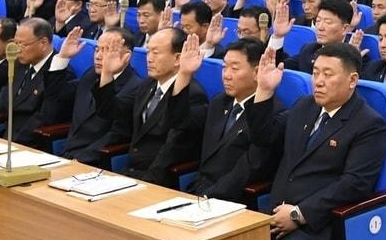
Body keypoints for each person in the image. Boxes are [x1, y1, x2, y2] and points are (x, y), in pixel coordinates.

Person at [247, 41, 386, 240]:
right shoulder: (304, 106)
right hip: (277, 212)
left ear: (352, 80)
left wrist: (299, 214)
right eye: (315, 72)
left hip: (321, 226)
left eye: (328, 74)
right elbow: (264, 137)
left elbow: (355, 184)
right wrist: (264, 92)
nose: (318, 81)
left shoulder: (369, 124)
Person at [95, 27, 208, 187]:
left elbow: (172, 149)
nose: (149, 58)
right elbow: (110, 112)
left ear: (177, 59)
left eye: (156, 52)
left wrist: (144, 184)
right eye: (148, 52)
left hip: (159, 181)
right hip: (130, 173)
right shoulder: (147, 85)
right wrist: (107, 73)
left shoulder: (192, 95)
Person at [175, 38, 282, 202]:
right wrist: (184, 74)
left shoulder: (271, 113)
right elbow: (181, 122)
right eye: (224, 67)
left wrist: (208, 197)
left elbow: (250, 168)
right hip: (199, 190)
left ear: (257, 72)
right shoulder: (220, 101)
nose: (226, 75)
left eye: (235, 68)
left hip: (232, 199)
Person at [0, 12, 75, 145]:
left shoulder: (59, 74)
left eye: (22, 44)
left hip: (32, 143)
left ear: (43, 43)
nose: (17, 49)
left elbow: (46, 117)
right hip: (6, 137)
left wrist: (10, 143)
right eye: (15, 43)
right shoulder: (18, 63)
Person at [55, 27, 143, 166]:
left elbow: (116, 134)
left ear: (126, 56)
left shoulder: (135, 87)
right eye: (97, 49)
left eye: (106, 50)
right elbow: (58, 95)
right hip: (67, 153)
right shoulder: (91, 75)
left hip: (95, 161)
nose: (98, 56)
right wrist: (63, 57)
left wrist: (79, 160)